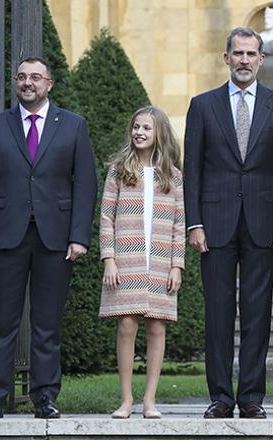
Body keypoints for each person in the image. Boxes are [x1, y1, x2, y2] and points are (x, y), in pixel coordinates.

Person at [0, 57, 97, 419]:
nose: (28, 83)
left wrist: (79, 237)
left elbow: (85, 185)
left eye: (36, 78)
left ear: (49, 84)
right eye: (23, 77)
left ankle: (45, 397)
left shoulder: (73, 126)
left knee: (47, 324)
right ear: (15, 82)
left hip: (55, 240)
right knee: (1, 324)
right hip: (4, 240)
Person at [183, 27, 273, 419]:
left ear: (262, 60)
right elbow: (191, 171)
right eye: (238, 53)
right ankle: (220, 397)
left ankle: (251, 398)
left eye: (251, 54)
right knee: (217, 313)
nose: (244, 60)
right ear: (226, 57)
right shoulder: (202, 105)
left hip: (264, 222)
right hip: (213, 224)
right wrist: (193, 223)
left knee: (257, 312)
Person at [99, 106, 185, 419]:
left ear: (159, 132)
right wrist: (109, 258)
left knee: (157, 326)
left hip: (160, 260)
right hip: (127, 258)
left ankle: (150, 400)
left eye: (146, 128)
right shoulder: (120, 169)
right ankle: (126, 399)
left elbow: (179, 222)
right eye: (136, 127)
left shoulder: (173, 176)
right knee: (126, 324)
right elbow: (106, 217)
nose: (139, 133)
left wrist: (177, 265)